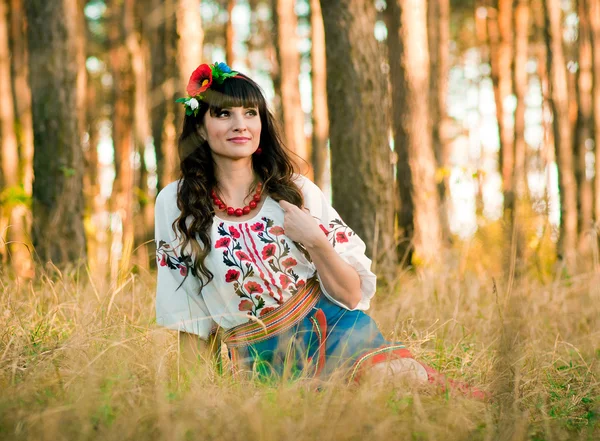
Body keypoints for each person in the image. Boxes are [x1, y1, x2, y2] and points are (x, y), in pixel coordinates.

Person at [154, 61, 485, 397]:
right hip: (263, 362)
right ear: (200, 127)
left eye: (250, 113)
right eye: (224, 114)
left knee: (395, 381)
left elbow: (352, 294)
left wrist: (315, 241)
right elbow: (190, 317)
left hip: (335, 330)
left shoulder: (295, 189)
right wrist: (194, 401)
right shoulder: (177, 203)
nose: (241, 125)